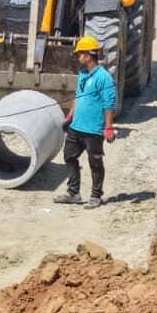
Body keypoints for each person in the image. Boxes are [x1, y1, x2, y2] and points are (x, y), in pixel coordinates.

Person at [55, 35, 117, 209]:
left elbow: (109, 104)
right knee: (69, 156)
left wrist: (109, 127)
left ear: (88, 56)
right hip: (76, 127)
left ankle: (96, 196)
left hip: (93, 131)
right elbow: (78, 97)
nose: (78, 57)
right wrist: (69, 116)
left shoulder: (104, 78)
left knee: (95, 162)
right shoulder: (82, 74)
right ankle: (73, 193)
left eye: (80, 54)